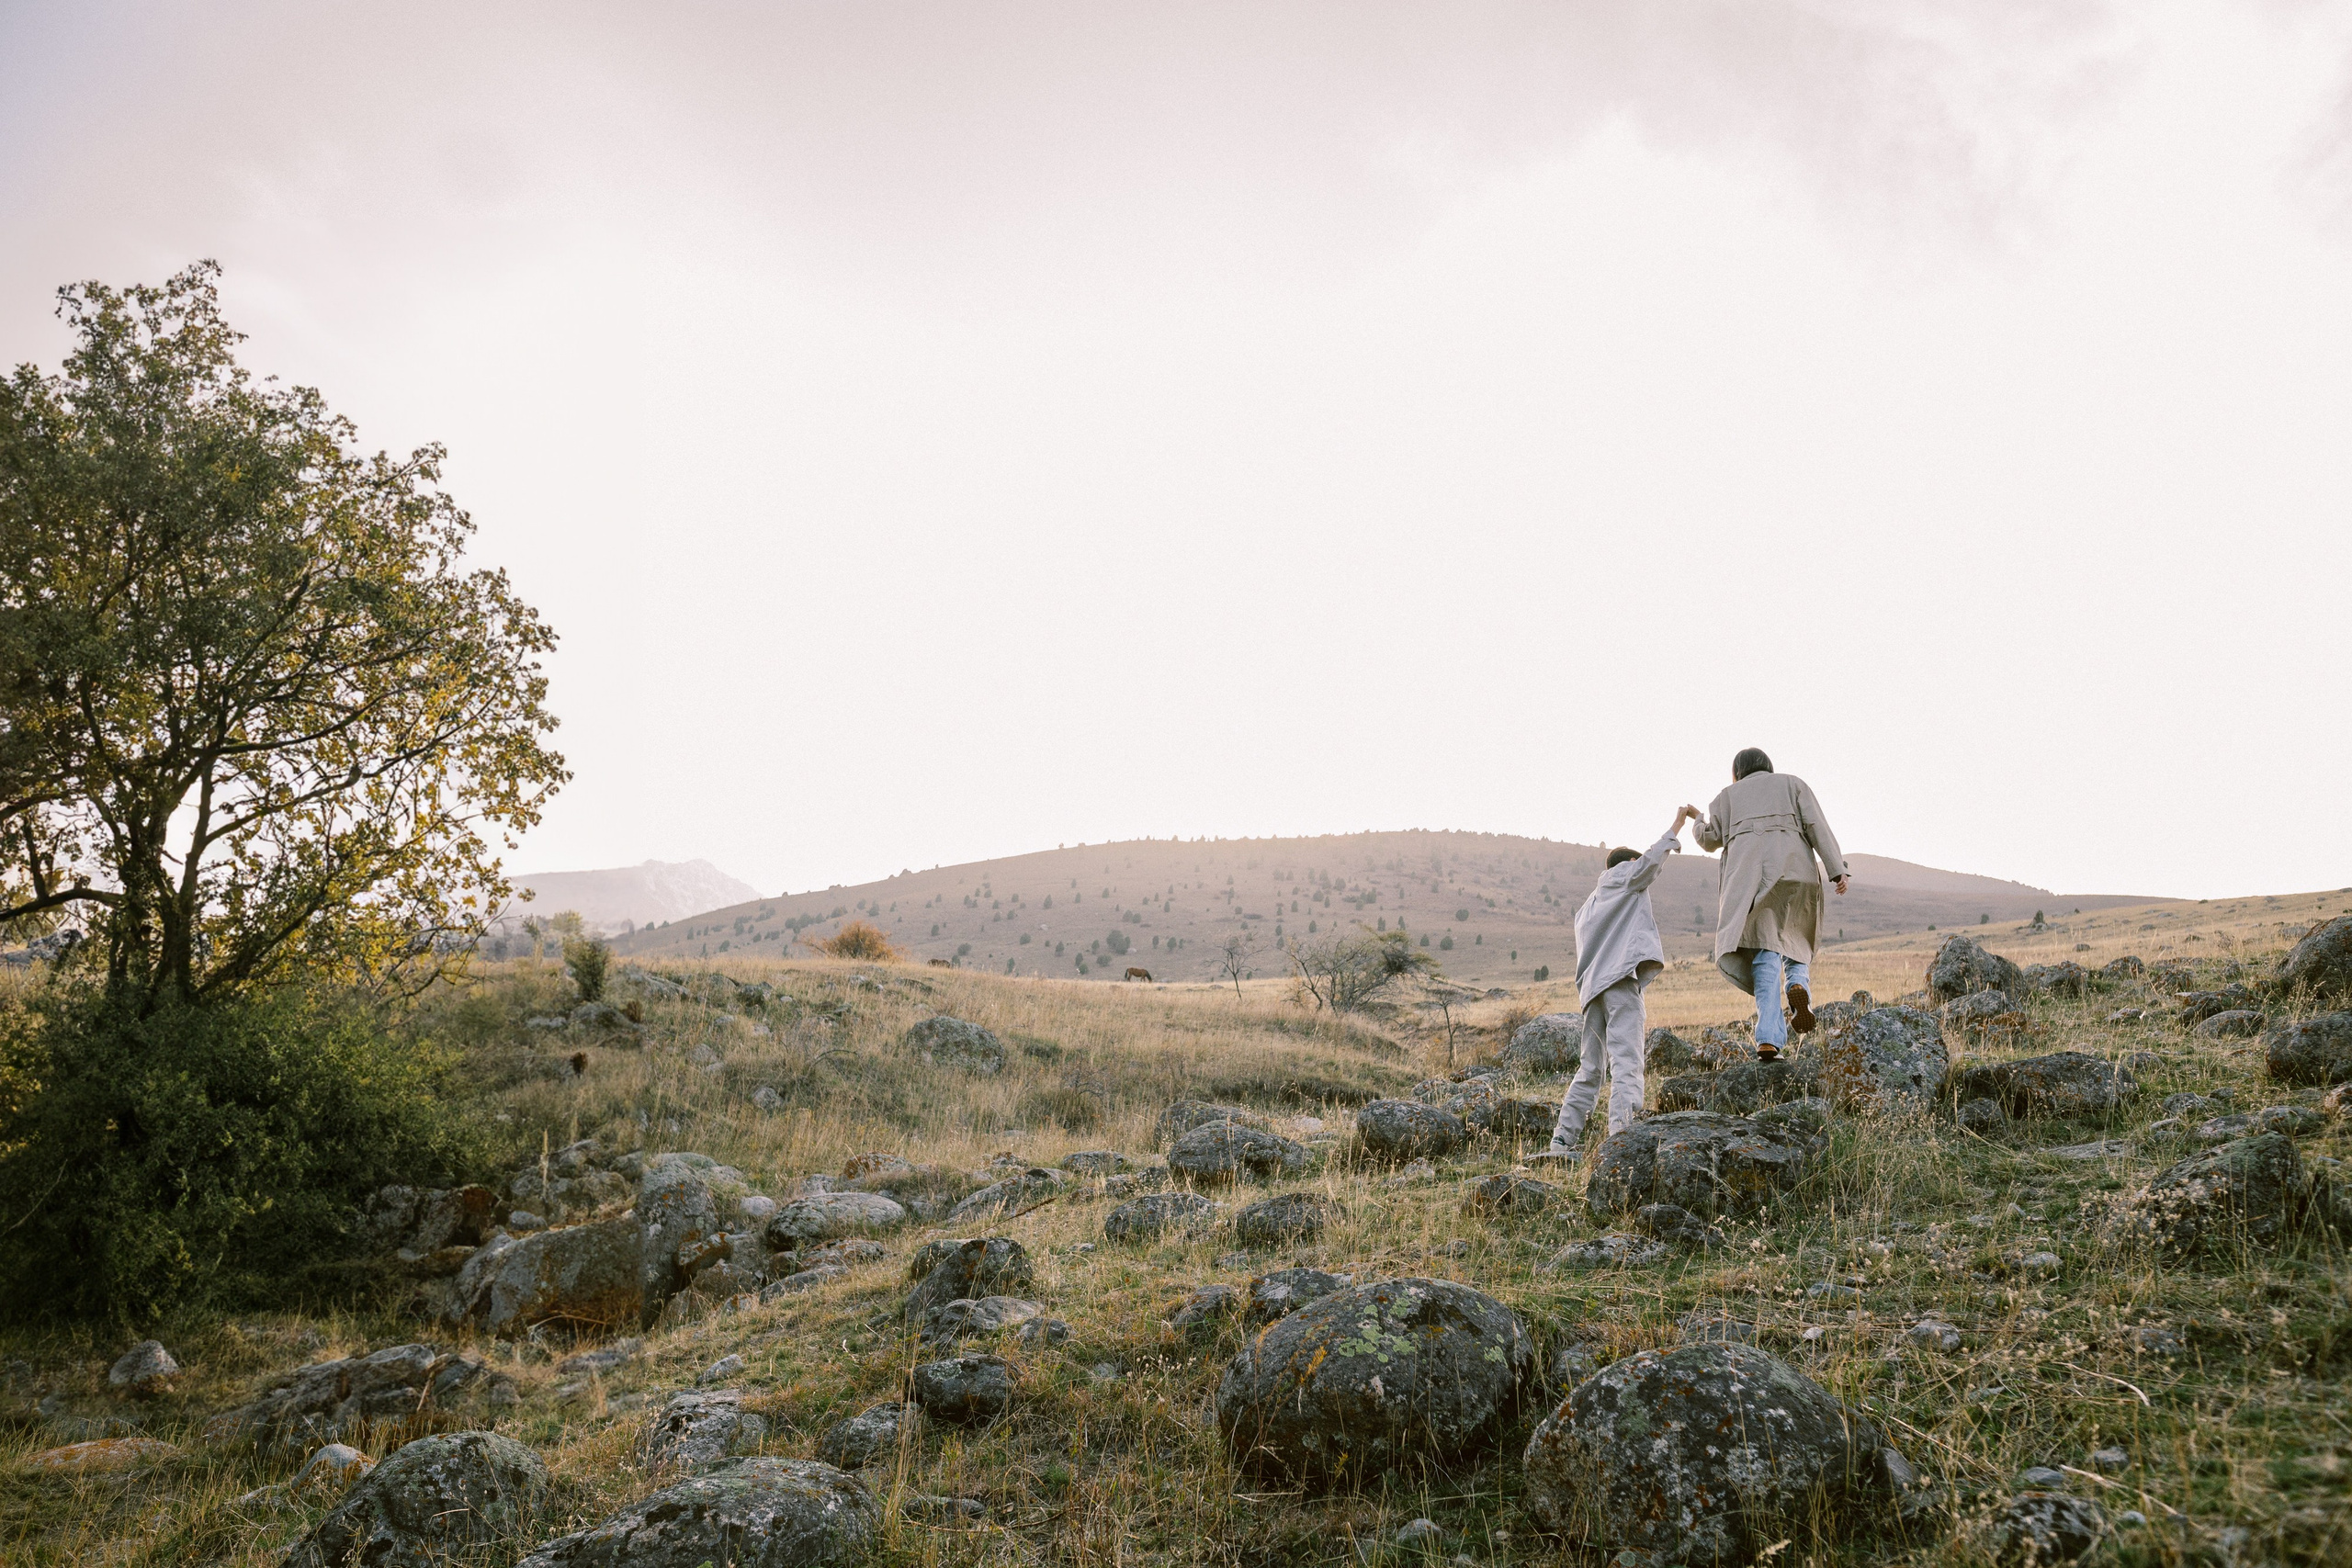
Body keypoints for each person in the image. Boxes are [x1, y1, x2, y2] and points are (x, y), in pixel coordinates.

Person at [1536, 806, 1697, 1161]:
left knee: (1591, 1067)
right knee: (1627, 1061)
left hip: (1592, 993)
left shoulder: (1588, 907)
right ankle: (1621, 1139)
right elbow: (1652, 862)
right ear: (1624, 866)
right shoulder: (1626, 878)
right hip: (1621, 983)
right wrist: (1678, 823)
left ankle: (1562, 1141)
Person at [1690, 748, 1848, 1062]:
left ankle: (1768, 1039)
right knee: (1797, 939)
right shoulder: (1792, 784)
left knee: (1766, 951)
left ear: (1737, 771)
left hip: (1752, 881)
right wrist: (1836, 869)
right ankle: (1798, 984)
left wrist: (1697, 820)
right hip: (1797, 873)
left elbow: (1709, 839)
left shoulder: (1728, 796)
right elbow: (1817, 825)